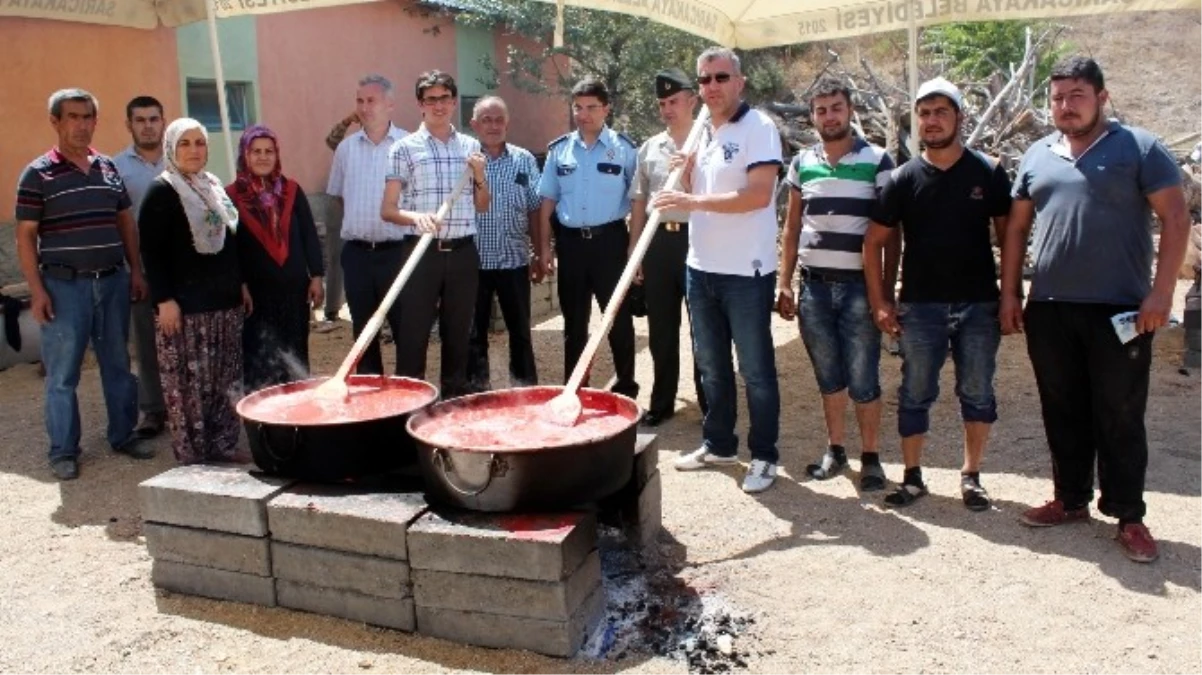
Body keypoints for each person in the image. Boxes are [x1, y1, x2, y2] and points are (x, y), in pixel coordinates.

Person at [1001, 57, 1189, 562]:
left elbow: (1175, 217)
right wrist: (1011, 292)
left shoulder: (1140, 148)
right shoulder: (1037, 155)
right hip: (1051, 308)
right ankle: (1070, 500)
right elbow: (1017, 229)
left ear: (1101, 97)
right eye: (1058, 97)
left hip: (1122, 309)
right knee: (1061, 407)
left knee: (1121, 412)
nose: (1066, 105)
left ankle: (1130, 516)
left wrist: (1161, 293)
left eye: (1077, 95)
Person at [863, 78, 1011, 510]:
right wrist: (880, 301)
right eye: (924, 114)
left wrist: (1010, 294)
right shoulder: (903, 178)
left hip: (979, 304)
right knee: (915, 392)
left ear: (959, 117)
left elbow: (1010, 237)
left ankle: (972, 476)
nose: (931, 121)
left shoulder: (988, 171)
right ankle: (912, 478)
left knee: (978, 392)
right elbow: (873, 242)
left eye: (940, 112)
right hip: (921, 304)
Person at [654, 47, 783, 494]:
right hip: (701, 266)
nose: (712, 86)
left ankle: (765, 455)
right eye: (705, 79)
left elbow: (758, 196)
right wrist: (687, 176)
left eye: (721, 77)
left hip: (745, 272)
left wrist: (689, 201)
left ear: (739, 81)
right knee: (711, 366)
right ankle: (720, 443)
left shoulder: (759, 127)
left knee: (756, 369)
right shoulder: (703, 131)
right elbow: (706, 193)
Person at [15, 88, 152, 480]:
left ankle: (123, 435)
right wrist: (37, 291)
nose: (81, 125)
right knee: (62, 375)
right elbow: (25, 236)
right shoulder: (37, 174)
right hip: (64, 288)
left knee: (118, 365)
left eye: (88, 117)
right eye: (73, 117)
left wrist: (136, 271)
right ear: (55, 122)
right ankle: (63, 450)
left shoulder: (108, 168)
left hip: (112, 283)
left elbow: (125, 221)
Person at [776, 77, 896, 491]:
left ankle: (872, 458)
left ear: (850, 111)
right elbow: (791, 228)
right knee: (828, 374)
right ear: (812, 116)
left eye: (836, 108)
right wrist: (785, 283)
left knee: (864, 376)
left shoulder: (879, 160)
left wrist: (885, 292)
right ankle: (835, 450)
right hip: (813, 288)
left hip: (860, 288)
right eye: (821, 110)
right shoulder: (801, 163)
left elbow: (890, 231)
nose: (829, 116)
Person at [139, 118, 251, 465]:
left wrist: (241, 284)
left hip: (224, 303)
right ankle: (194, 458)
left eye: (199, 142)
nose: (193, 150)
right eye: (184, 143)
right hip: (185, 310)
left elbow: (232, 240)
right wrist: (163, 300)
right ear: (172, 148)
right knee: (189, 386)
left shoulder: (213, 186)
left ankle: (223, 445)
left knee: (224, 380)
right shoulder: (162, 190)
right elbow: (151, 252)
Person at [381, 70, 488, 397]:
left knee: (458, 337)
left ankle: (450, 409)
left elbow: (482, 205)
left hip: (463, 253)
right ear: (420, 105)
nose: (438, 105)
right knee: (413, 338)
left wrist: (480, 175)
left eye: (444, 98)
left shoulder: (471, 146)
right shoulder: (404, 148)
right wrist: (416, 217)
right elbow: (388, 209)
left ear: (454, 102)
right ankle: (408, 410)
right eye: (431, 99)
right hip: (421, 253)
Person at [537, 78, 640, 400]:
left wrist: (634, 247)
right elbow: (547, 203)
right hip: (571, 245)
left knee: (618, 318)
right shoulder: (559, 150)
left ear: (606, 108)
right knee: (574, 321)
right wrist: (543, 246)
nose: (584, 114)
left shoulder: (624, 149)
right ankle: (576, 387)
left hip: (610, 242)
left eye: (591, 107)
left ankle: (625, 386)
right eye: (578, 107)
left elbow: (638, 202)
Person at [629, 69, 708, 426]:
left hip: (698, 240)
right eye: (662, 103)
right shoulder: (650, 147)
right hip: (658, 242)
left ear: (692, 100)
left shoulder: (709, 142)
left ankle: (710, 403)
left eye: (674, 101)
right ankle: (662, 402)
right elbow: (638, 201)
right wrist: (636, 253)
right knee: (661, 329)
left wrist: (691, 170)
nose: (667, 109)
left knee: (703, 329)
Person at [227, 125, 325, 391]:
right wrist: (240, 284)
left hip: (294, 291)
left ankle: (297, 417)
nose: (262, 157)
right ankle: (263, 424)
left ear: (277, 155)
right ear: (244, 155)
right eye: (255, 151)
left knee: (294, 353)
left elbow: (308, 235)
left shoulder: (292, 190)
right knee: (260, 357)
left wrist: (316, 275)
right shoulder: (231, 196)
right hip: (256, 296)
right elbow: (230, 248)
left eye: (268, 151)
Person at [327, 74, 410, 374]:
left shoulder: (409, 146)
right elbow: (339, 196)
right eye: (359, 101)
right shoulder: (346, 150)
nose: (364, 107)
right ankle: (372, 405)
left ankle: (407, 403)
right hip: (358, 255)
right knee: (363, 334)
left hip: (398, 254)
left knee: (406, 332)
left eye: (371, 100)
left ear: (390, 104)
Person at [465, 96, 541, 391]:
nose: (493, 126)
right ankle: (476, 392)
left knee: (521, 331)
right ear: (474, 125)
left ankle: (525, 390)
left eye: (499, 120)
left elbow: (535, 207)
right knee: (474, 332)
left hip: (514, 259)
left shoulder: (524, 160)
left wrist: (539, 251)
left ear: (507, 123)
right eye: (486, 120)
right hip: (473, 262)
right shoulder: (466, 160)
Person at [112, 95, 169, 439]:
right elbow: (119, 223)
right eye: (140, 120)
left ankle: (186, 404)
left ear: (163, 121)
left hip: (180, 272)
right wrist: (133, 269)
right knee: (145, 342)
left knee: (182, 341)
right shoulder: (116, 168)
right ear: (129, 124)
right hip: (140, 270)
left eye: (153, 119)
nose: (148, 125)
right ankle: (152, 410)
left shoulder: (180, 159)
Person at [315, 109, 362, 332]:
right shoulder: (348, 145)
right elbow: (330, 140)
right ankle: (331, 310)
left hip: (363, 210)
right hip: (338, 207)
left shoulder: (387, 146)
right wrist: (346, 121)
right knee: (335, 259)